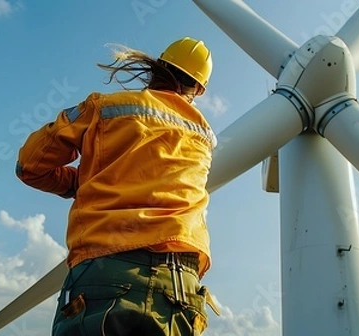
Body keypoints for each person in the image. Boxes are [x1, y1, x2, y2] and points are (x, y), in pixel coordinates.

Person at [15, 37, 220, 335]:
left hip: (105, 273)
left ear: (158, 66)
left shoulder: (106, 107)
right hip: (181, 286)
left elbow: (30, 165)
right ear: (199, 89)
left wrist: (77, 183)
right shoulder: (204, 137)